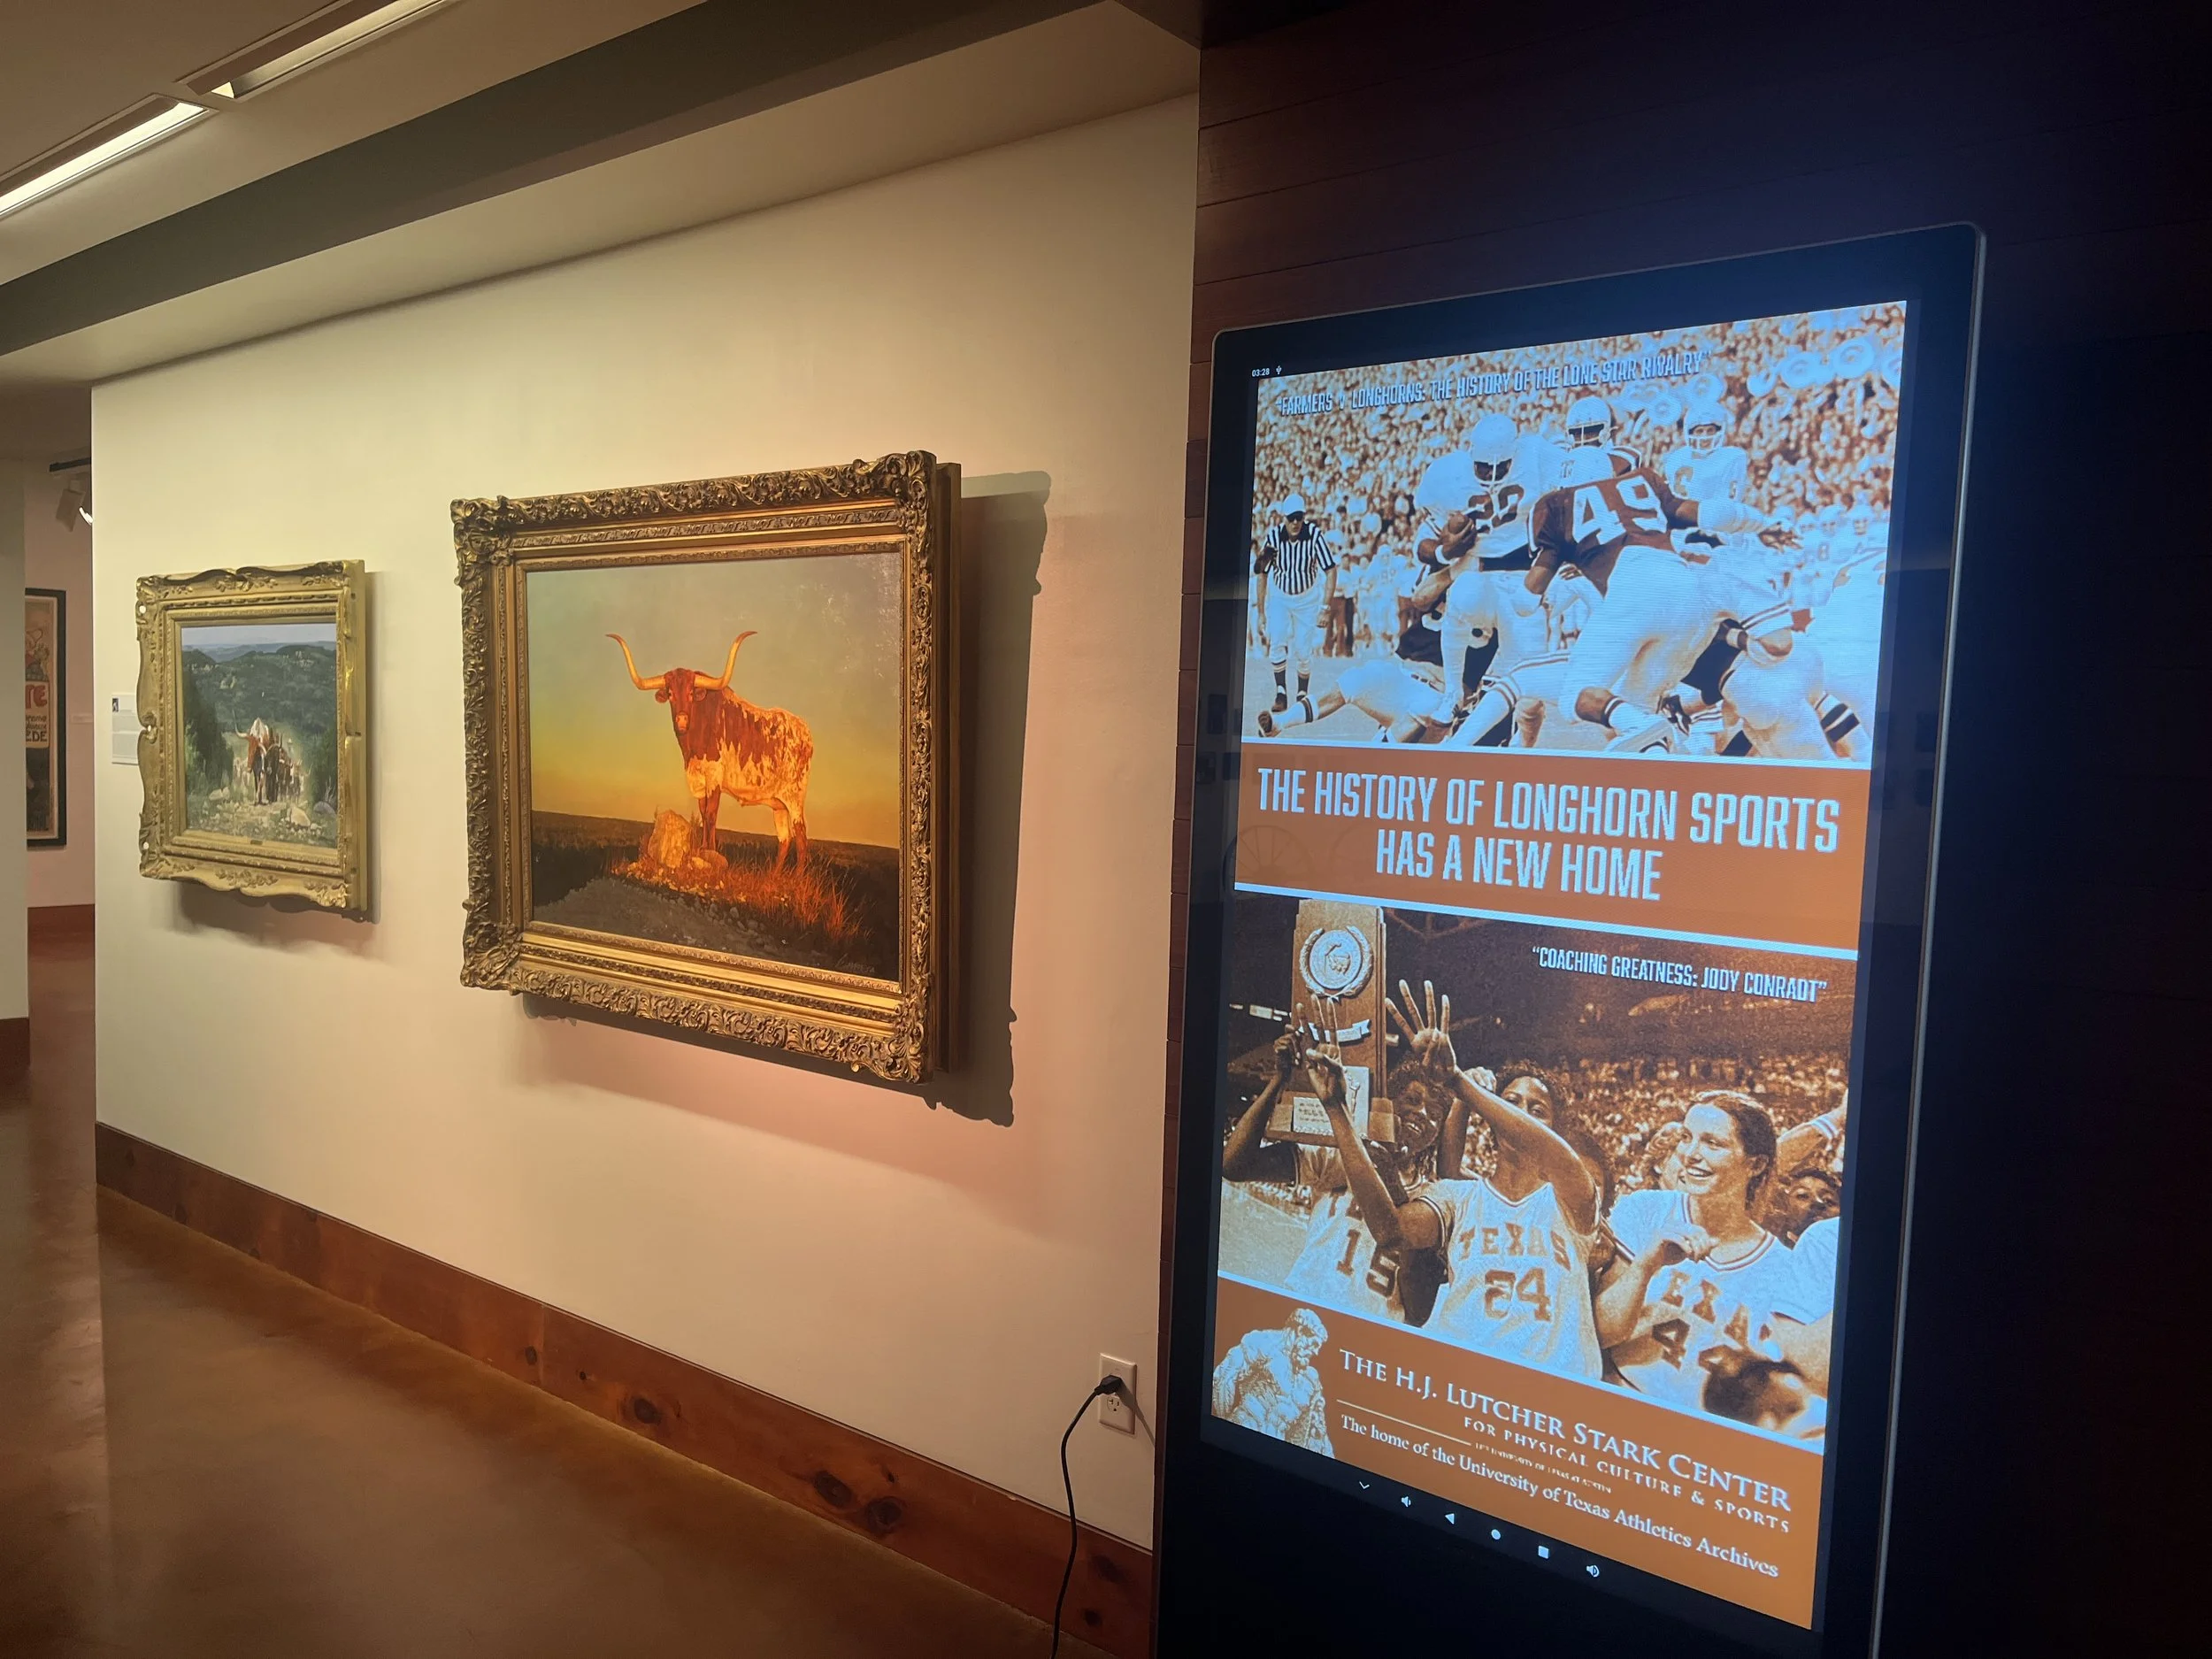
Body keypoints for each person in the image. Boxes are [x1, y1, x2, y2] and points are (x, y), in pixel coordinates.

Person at [1310, 985, 1607, 1379]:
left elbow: (1556, 1156)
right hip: (1457, 1380)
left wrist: (1458, 1083)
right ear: (1495, 1114)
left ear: (1556, 1127)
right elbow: (1390, 1231)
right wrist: (1337, 1110)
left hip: (1544, 1393)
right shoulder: (1458, 1196)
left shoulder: (1574, 1198)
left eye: (1538, 1110)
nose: (1522, 1114)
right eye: (1511, 1103)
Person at [1517, 428, 1801, 753]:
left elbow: (1527, 601)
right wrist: (1763, 524)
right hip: (1685, 589)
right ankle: (1652, 752)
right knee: (1636, 708)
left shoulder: (1555, 506)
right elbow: (1709, 512)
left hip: (1632, 587)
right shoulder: (1642, 483)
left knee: (1575, 698)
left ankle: (1639, 725)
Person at [1595, 1092, 1828, 1426]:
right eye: (1687, 1138)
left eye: (1712, 1144)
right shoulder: (1645, 1209)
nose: (1691, 1155)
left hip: (1703, 1437)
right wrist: (1646, 1265)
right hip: (1618, 1405)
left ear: (1756, 1164)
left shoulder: (1783, 1267)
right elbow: (1603, 1333)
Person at [1221, 1023, 1448, 1324]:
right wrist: (1279, 1080)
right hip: (1304, 1307)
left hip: (1371, 1332)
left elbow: (1418, 1312)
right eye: (1413, 1100)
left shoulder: (1434, 1200)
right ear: (1389, 1100)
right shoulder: (1343, 1157)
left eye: (1435, 1114)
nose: (1422, 1114)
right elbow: (1234, 1165)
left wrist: (1390, 1178)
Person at [1254, 495, 1339, 717]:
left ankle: (1302, 694)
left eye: (1298, 518)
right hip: (1280, 596)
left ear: (1304, 517)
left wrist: (1325, 607)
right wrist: (1261, 611)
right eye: (1291, 518)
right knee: (1277, 641)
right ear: (1284, 518)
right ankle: (1281, 692)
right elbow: (1261, 573)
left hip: (1306, 598)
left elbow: (1330, 569)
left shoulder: (1314, 535)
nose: (1295, 523)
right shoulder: (1273, 538)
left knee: (1303, 648)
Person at [1212, 1309, 1334, 1453]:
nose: (1316, 1352)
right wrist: (1223, 1426)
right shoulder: (1265, 1344)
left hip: (1273, 1452)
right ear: (1301, 1331)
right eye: (1314, 1344)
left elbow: (1314, 1432)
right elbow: (1224, 1376)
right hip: (1240, 1437)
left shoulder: (1310, 1380)